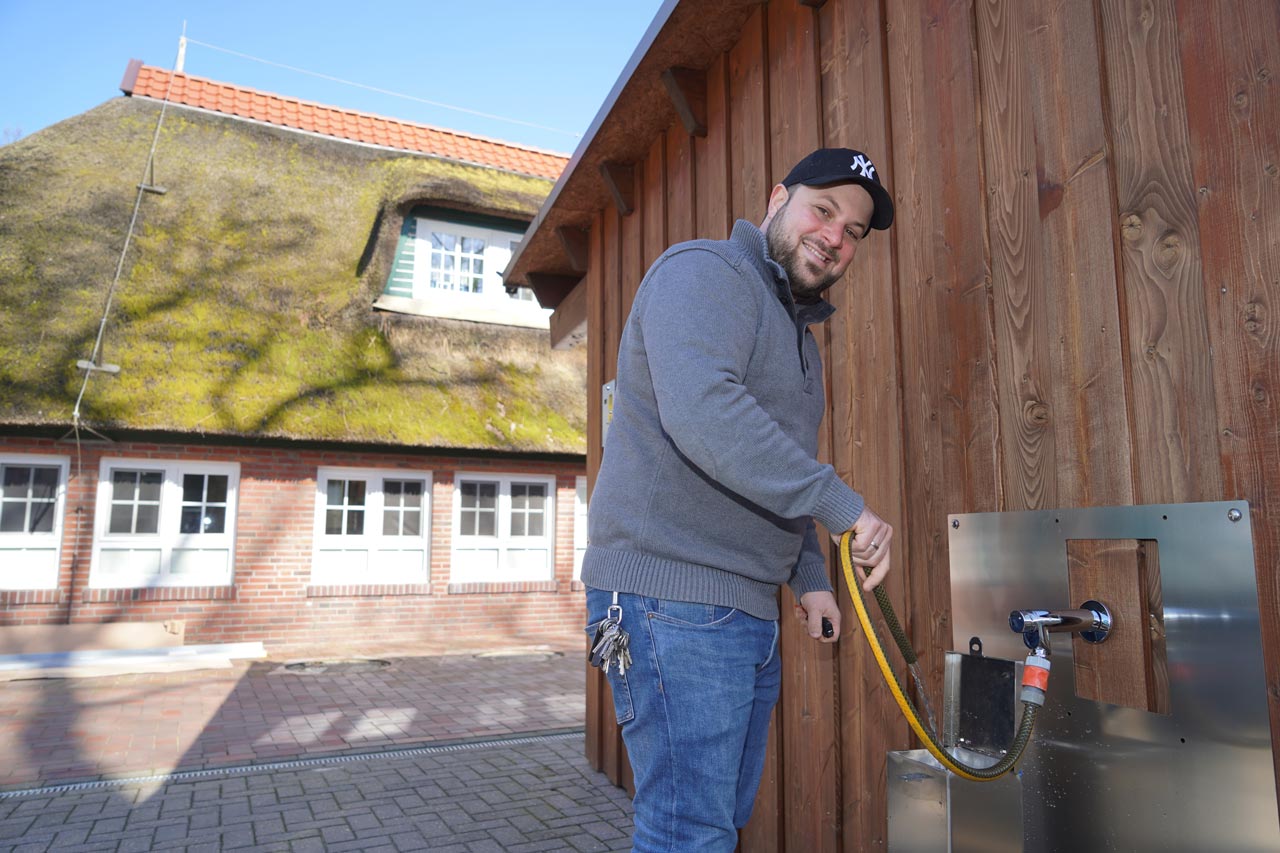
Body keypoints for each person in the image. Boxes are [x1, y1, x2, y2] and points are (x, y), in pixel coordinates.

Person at [581, 147, 896, 852]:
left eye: (853, 231)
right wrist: (842, 506)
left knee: (716, 822)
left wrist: (810, 577)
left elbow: (769, 465)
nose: (835, 237)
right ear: (778, 198)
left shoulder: (800, 341)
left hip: (741, 607)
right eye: (823, 210)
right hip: (671, 599)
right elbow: (705, 414)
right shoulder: (705, 271)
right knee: (688, 832)